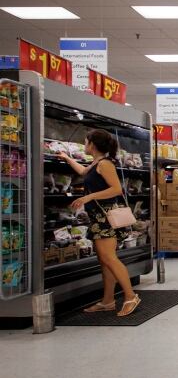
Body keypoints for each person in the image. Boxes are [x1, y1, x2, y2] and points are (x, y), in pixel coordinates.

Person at [58, 129, 141, 317]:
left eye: (86, 142)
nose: (85, 144)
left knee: (109, 258)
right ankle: (108, 301)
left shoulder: (105, 164)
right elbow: (82, 171)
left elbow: (116, 189)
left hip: (106, 217)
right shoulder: (96, 163)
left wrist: (88, 197)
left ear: (92, 145)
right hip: (98, 217)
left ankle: (130, 296)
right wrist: (66, 157)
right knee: (104, 260)